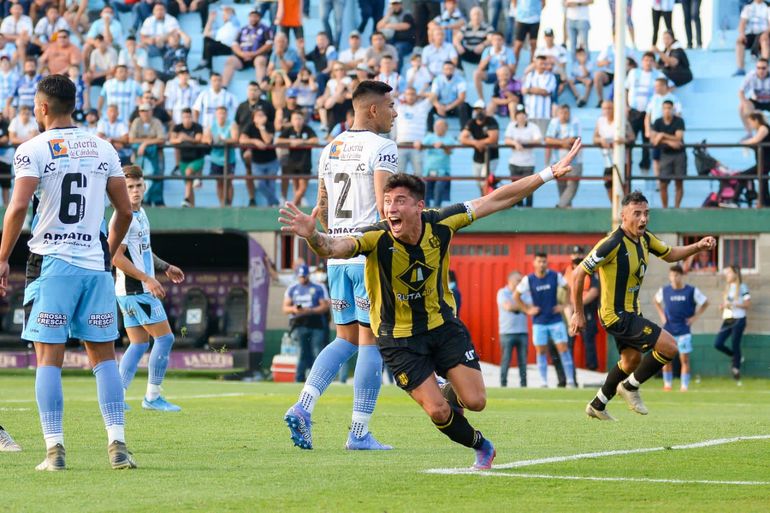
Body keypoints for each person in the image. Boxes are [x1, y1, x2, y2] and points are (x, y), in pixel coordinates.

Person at [279, 139, 582, 468]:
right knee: (438, 411)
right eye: (387, 201)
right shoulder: (374, 237)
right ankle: (482, 446)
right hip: (398, 341)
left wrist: (548, 173)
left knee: (476, 401)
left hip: (442, 328)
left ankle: (449, 388)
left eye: (400, 201)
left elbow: (497, 199)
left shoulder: (442, 223)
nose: (391, 208)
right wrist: (312, 236)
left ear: (419, 206)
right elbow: (334, 248)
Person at [0, 74, 136, 470]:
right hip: (94, 265)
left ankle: (55, 451)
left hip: (51, 263)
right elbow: (124, 211)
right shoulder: (103, 147)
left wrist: (2, 257)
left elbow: (18, 207)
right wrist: (107, 253)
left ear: (42, 108)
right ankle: (118, 446)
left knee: (48, 359)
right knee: (104, 359)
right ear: (73, 104)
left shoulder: (32, 149)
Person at [283, 80, 399, 452]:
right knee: (371, 343)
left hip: (336, 255)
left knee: (344, 338)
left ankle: (303, 406)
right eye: (391, 107)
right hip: (366, 254)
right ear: (373, 110)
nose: (395, 113)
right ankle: (359, 432)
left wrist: (329, 240)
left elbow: (321, 204)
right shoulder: (383, 148)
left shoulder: (330, 148)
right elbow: (385, 207)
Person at [571, 190, 716, 421]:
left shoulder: (645, 238)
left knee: (632, 360)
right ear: (623, 216)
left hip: (630, 312)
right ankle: (629, 387)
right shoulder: (612, 243)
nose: (643, 219)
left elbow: (669, 254)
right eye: (637, 214)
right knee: (669, 347)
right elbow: (578, 274)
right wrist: (578, 313)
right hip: (615, 315)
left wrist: (697, 246)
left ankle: (598, 403)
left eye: (646, 213)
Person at [112, 165, 185, 411]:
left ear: (145, 186)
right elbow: (116, 257)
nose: (134, 191)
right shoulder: (122, 217)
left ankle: (117, 397)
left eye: (138, 186)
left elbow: (142, 250)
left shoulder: (140, 213)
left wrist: (164, 267)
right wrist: (147, 279)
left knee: (140, 344)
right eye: (129, 187)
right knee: (165, 339)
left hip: (129, 292)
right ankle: (152, 397)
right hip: (136, 291)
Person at [515, 253, 574, 388]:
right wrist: (527, 310)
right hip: (539, 322)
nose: (542, 264)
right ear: (534, 263)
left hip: (555, 320)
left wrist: (564, 305)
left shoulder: (555, 276)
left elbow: (567, 287)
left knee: (564, 349)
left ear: (547, 263)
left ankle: (571, 381)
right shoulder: (528, 279)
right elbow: (516, 295)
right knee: (541, 351)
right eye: (539, 261)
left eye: (544, 261)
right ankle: (543, 382)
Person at [653, 265, 708, 392]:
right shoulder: (664, 290)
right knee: (665, 359)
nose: (674, 278)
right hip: (668, 330)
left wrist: (694, 318)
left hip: (683, 331)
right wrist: (662, 315)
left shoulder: (691, 291)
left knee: (684, 359)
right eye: (671, 275)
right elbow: (655, 301)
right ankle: (667, 385)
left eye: (676, 275)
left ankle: (684, 386)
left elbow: (705, 302)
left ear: (682, 276)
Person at [284, 264, 331, 382]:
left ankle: (319, 379)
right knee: (301, 353)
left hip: (316, 324)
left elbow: (325, 306)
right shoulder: (293, 288)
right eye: (300, 277)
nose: (302, 279)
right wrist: (295, 309)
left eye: (304, 276)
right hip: (299, 324)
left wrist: (310, 310)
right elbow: (285, 308)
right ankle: (299, 379)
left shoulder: (318, 287)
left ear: (308, 276)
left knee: (317, 352)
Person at [563, 245, 600, 371]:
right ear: (571, 256)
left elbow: (594, 291)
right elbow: (564, 296)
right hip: (569, 312)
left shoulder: (591, 272)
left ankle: (592, 369)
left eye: (579, 254)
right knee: (569, 342)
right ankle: (568, 371)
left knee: (589, 341)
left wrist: (578, 305)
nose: (577, 257)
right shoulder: (565, 273)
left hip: (586, 310)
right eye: (574, 254)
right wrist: (571, 311)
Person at [626, 52, 664, 173]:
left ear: (653, 62)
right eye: (646, 60)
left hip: (649, 113)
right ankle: (627, 166)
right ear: (642, 61)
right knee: (630, 138)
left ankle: (645, 166)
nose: (648, 62)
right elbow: (626, 89)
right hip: (634, 111)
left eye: (650, 60)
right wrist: (626, 106)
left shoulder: (658, 74)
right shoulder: (634, 73)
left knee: (647, 140)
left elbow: (669, 86)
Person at [714, 265, 751, 383]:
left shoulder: (743, 287)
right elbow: (727, 304)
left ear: (736, 273)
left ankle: (736, 369)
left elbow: (747, 304)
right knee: (718, 343)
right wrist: (722, 306)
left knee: (735, 343)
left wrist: (733, 304)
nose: (727, 275)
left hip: (739, 319)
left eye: (729, 272)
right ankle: (736, 357)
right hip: (728, 319)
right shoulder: (728, 288)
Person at [593, 100, 634, 201]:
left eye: (609, 108)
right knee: (608, 184)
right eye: (604, 108)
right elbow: (594, 138)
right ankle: (614, 208)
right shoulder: (600, 121)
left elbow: (632, 137)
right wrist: (600, 140)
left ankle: (625, 208)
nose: (606, 111)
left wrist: (624, 140)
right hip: (607, 159)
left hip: (622, 159)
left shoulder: (621, 121)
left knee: (623, 184)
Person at [275, 110, 317, 206]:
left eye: (299, 118)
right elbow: (278, 140)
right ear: (292, 121)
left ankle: (293, 204)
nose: (297, 121)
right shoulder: (288, 130)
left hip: (305, 162)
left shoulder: (307, 129)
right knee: (296, 185)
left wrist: (302, 142)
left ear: (303, 120)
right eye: (295, 119)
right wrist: (291, 141)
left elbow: (315, 140)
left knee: (302, 187)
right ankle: (296, 204)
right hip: (292, 162)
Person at [504, 104, 543, 207]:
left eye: (523, 114)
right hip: (514, 163)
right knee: (515, 190)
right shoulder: (511, 126)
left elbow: (538, 140)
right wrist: (515, 143)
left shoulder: (533, 127)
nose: (521, 117)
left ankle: (529, 209)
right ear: (516, 116)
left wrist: (525, 142)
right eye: (519, 114)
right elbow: (506, 140)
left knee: (529, 189)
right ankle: (519, 208)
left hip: (528, 163)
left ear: (526, 116)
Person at [650, 100, 686, 208]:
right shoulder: (657, 122)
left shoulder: (679, 121)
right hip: (665, 154)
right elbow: (654, 141)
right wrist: (669, 141)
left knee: (679, 182)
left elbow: (679, 137)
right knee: (663, 183)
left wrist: (662, 135)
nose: (667, 111)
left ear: (673, 109)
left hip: (679, 154)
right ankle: (665, 207)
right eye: (665, 108)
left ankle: (677, 207)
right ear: (662, 109)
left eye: (669, 108)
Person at [129, 103, 166, 207]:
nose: (144, 113)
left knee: (155, 175)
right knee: (140, 177)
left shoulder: (156, 122)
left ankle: (156, 200)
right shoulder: (136, 121)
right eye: (142, 111)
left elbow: (162, 139)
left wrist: (144, 144)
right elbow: (131, 139)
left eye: (146, 110)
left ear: (151, 111)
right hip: (140, 156)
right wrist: (150, 141)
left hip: (155, 155)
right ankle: (144, 200)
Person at [459, 100, 499, 194]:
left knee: (484, 180)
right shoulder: (471, 122)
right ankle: (486, 199)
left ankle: (486, 202)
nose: (478, 112)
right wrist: (477, 143)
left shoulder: (491, 121)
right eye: (476, 110)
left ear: (485, 110)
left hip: (491, 157)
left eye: (480, 109)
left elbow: (493, 138)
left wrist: (477, 143)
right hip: (477, 157)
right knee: (478, 181)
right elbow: (462, 138)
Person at [545, 104, 581, 208]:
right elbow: (548, 139)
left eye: (566, 113)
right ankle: (565, 208)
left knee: (572, 185)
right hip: (558, 160)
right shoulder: (554, 122)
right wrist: (562, 142)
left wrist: (559, 142)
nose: (564, 115)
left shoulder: (575, 121)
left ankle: (560, 205)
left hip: (575, 160)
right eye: (562, 113)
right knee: (562, 186)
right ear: (558, 113)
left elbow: (575, 139)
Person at [497, 271, 528, 387]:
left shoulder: (524, 293)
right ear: (510, 281)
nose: (521, 283)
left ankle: (523, 385)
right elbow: (508, 307)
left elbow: (530, 307)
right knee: (506, 360)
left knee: (523, 362)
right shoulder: (502, 292)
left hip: (522, 332)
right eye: (518, 280)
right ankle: (503, 384)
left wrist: (520, 307)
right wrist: (522, 307)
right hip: (506, 333)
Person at [203, 105, 238, 207]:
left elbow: (235, 139)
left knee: (229, 181)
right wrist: (209, 140)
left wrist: (223, 141)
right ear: (216, 115)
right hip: (216, 159)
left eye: (223, 113)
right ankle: (222, 204)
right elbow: (205, 138)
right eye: (219, 113)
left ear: (226, 114)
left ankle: (229, 204)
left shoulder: (231, 124)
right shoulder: (211, 125)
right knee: (219, 182)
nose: (221, 115)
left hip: (229, 159)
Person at [170, 108, 205, 207]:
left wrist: (185, 138)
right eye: (185, 117)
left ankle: (185, 199)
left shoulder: (197, 127)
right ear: (182, 118)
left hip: (197, 159)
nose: (187, 119)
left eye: (189, 117)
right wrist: (179, 140)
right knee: (188, 185)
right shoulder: (177, 127)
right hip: (183, 160)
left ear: (192, 117)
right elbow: (172, 139)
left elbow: (198, 140)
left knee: (188, 173)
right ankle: (192, 207)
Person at [396, 86, 432, 176]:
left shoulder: (422, 107)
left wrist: (420, 94)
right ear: (404, 95)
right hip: (401, 145)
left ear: (416, 95)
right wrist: (400, 95)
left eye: (413, 94)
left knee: (419, 175)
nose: (410, 96)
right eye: (408, 94)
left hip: (417, 146)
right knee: (399, 176)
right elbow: (387, 95)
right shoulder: (399, 107)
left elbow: (433, 96)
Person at [427, 60, 471, 131]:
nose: (448, 71)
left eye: (450, 69)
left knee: (464, 106)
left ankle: (464, 131)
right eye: (446, 69)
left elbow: (461, 98)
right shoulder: (437, 80)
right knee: (428, 106)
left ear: (454, 70)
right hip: (440, 106)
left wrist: (448, 107)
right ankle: (430, 132)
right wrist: (439, 107)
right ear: (442, 70)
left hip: (453, 107)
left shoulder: (460, 80)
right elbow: (433, 96)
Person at [473, 31, 516, 100]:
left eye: (499, 40)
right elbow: (480, 68)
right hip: (492, 75)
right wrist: (486, 61)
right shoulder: (487, 50)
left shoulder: (509, 51)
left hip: (504, 76)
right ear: (492, 41)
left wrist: (504, 65)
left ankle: (501, 98)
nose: (497, 42)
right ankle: (481, 99)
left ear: (503, 41)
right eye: (495, 40)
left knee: (503, 70)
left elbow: (513, 70)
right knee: (476, 73)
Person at [422, 118, 455, 206]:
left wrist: (443, 146)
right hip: (429, 170)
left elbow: (450, 152)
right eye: (436, 126)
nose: (437, 128)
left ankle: (436, 209)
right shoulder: (430, 137)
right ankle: (425, 209)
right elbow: (421, 146)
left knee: (439, 188)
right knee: (424, 189)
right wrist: (418, 144)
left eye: (440, 126)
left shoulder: (449, 139)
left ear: (446, 127)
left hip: (443, 171)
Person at [522, 55, 557, 135]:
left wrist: (531, 90)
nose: (543, 66)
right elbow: (524, 90)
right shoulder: (530, 75)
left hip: (544, 114)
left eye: (545, 64)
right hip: (530, 113)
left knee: (543, 137)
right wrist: (539, 90)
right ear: (535, 64)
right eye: (541, 63)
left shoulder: (551, 76)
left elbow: (546, 92)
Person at [740, 112, 770, 206]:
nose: (750, 125)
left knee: (742, 176)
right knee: (763, 181)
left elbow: (755, 140)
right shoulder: (761, 129)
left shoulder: (763, 128)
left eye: (750, 122)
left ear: (756, 120)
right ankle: (764, 202)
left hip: (765, 162)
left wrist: (744, 142)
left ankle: (734, 199)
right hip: (763, 162)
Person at [734, 0, 769, 76]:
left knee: (765, 40)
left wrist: (766, 33)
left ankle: (765, 67)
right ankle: (740, 69)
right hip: (750, 34)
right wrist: (742, 34)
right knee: (739, 41)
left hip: (764, 33)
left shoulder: (768, 6)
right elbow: (742, 23)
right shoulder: (747, 7)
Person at [738, 59, 770, 137]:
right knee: (741, 107)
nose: (761, 70)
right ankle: (749, 133)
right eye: (758, 68)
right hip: (756, 101)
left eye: (763, 68)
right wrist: (745, 103)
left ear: (768, 68)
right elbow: (741, 91)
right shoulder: (751, 76)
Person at [512, 0, 543, 66]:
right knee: (518, 45)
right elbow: (514, 2)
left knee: (533, 44)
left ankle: (532, 67)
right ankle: (513, 68)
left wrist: (536, 12)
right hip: (521, 19)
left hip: (535, 19)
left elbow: (543, 3)